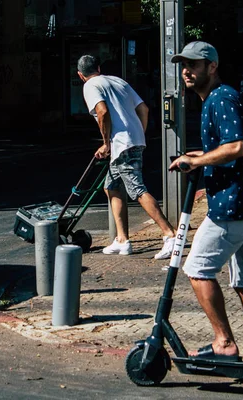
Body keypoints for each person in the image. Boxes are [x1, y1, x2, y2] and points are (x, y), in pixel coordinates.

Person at [169, 41, 243, 363]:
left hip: (235, 205)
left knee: (198, 269)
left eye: (194, 65)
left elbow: (239, 147)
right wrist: (199, 156)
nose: (187, 71)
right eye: (184, 65)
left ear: (212, 67)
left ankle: (224, 343)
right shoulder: (227, 97)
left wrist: (200, 163)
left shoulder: (220, 98)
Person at [77, 55, 177, 259]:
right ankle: (122, 240)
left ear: (80, 75)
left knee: (137, 190)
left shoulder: (90, 86)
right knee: (111, 187)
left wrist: (106, 143)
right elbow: (144, 109)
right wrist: (138, 132)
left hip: (121, 145)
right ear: (98, 67)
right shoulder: (118, 81)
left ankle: (170, 235)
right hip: (131, 141)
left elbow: (102, 112)